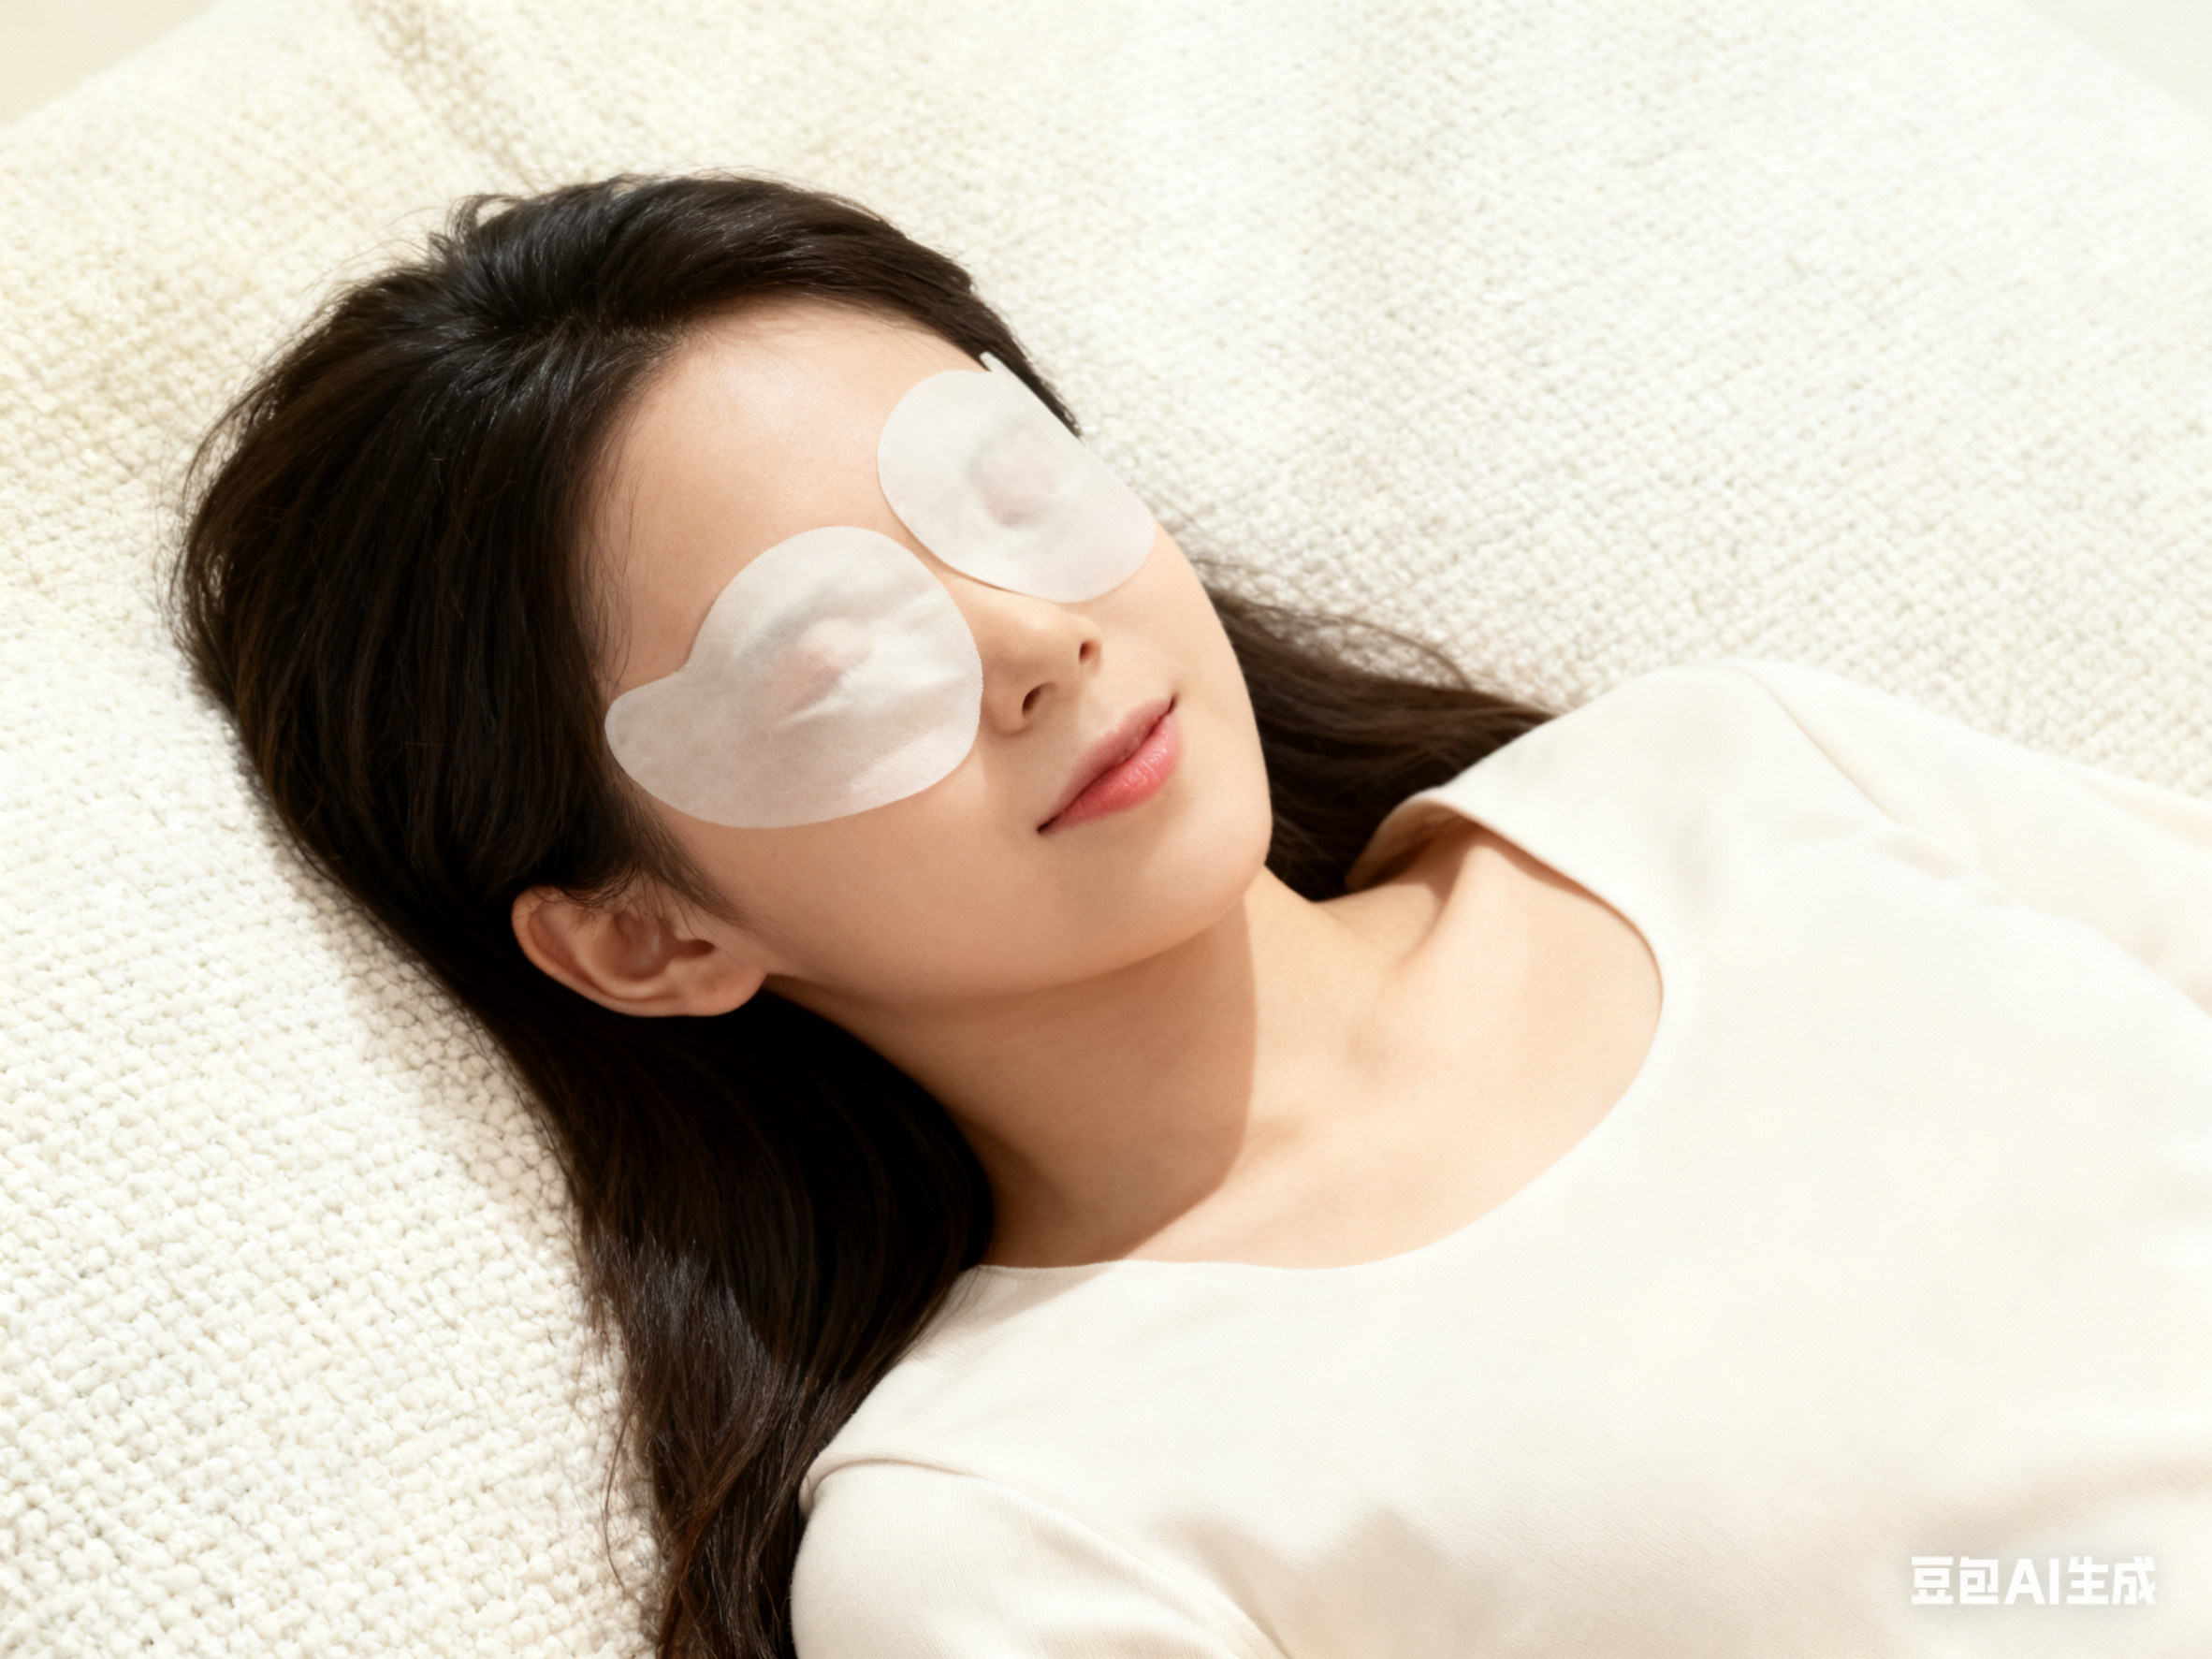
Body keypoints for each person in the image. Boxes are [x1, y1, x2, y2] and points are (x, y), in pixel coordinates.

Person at [175, 174, 2212, 1658]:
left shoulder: (1733, 771)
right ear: (650, 939)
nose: (1032, 640)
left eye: (1001, 487)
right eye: (827, 661)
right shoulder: (1011, 1531)